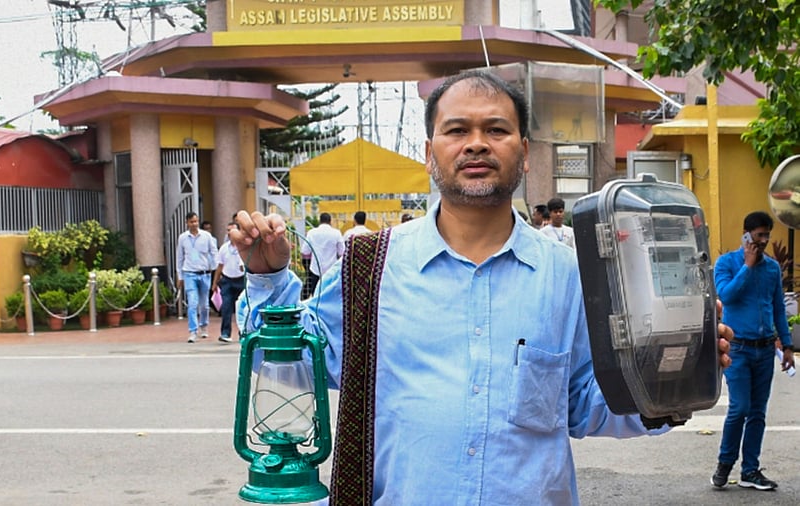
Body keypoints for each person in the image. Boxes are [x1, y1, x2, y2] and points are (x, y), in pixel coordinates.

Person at [230, 69, 732, 504]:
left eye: (496, 129)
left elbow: (584, 405)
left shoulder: (571, 277)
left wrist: (676, 381)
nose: (476, 143)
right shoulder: (371, 266)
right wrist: (268, 277)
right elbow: (291, 369)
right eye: (457, 130)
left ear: (526, 153)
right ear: (430, 152)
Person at [710, 211, 794, 490]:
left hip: (764, 349)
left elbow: (778, 308)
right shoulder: (727, 263)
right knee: (740, 408)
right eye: (759, 236)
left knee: (758, 412)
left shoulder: (771, 268)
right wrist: (747, 266)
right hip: (738, 349)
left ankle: (750, 470)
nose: (764, 241)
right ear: (746, 235)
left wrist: (787, 344)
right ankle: (725, 463)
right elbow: (727, 295)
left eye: (767, 236)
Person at [176, 212, 218, 342]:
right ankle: (193, 331)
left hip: (204, 273)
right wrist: (180, 275)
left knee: (204, 304)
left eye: (196, 221)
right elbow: (180, 257)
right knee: (192, 303)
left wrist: (215, 268)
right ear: (187, 223)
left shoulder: (206, 236)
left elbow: (214, 252)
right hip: (189, 273)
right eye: (191, 222)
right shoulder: (183, 238)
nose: (194, 224)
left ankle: (204, 326)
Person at [211, 221, 244, 343]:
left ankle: (244, 332)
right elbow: (219, 266)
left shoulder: (244, 246)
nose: (230, 233)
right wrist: (215, 283)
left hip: (241, 280)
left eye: (233, 230)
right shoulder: (224, 248)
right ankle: (225, 333)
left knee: (243, 308)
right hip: (227, 280)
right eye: (228, 230)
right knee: (226, 307)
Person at [299, 213, 344, 298]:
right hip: (331, 269)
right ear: (330, 221)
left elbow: (304, 251)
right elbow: (342, 252)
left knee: (316, 295)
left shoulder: (312, 233)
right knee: (330, 296)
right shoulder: (336, 233)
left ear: (320, 221)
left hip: (315, 269)